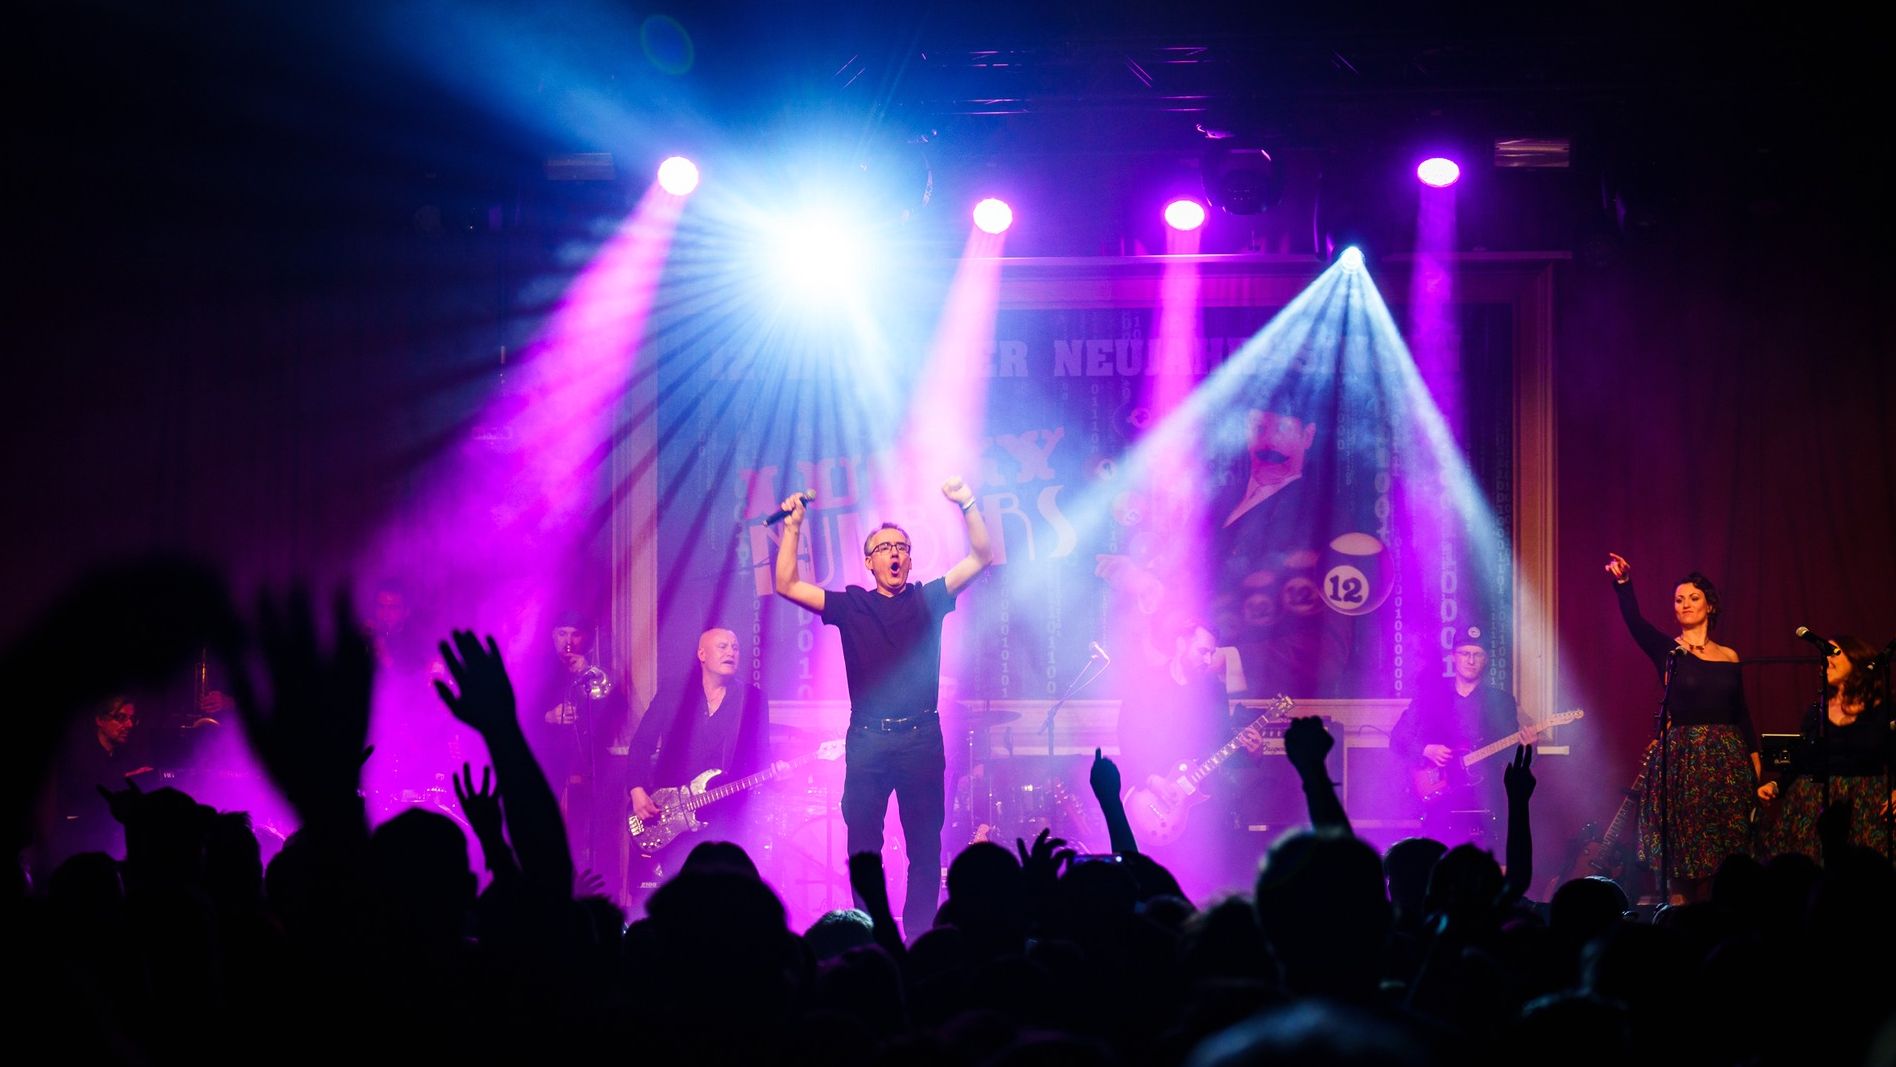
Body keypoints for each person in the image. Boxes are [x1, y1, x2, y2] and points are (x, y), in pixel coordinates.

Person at [773, 477, 992, 934]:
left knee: (924, 849)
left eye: (903, 547)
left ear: (909, 560)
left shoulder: (929, 598)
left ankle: (917, 937)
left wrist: (967, 503)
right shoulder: (852, 605)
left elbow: (980, 557)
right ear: (870, 562)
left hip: (921, 739)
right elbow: (788, 584)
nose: (895, 553)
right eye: (885, 547)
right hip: (869, 740)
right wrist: (793, 526)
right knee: (863, 845)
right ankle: (866, 933)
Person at [1605, 552, 1759, 903]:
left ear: (1710, 606)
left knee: (1727, 850)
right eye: (1679, 599)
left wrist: (1754, 758)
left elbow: (1742, 712)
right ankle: (1680, 928)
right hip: (1683, 760)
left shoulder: (1730, 656)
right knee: (1684, 854)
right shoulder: (1668, 650)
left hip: (1727, 761)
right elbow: (1635, 622)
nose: (1685, 604)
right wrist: (1623, 584)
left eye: (1693, 597)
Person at [1114, 616, 1269, 900]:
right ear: (1181, 643)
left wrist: (1252, 752)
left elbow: (1220, 747)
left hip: (1199, 810)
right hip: (1152, 799)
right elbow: (1127, 737)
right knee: (1151, 887)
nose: (1208, 659)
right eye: (1203, 650)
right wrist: (1154, 779)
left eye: (1211, 653)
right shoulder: (1147, 685)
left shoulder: (1211, 691)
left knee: (1202, 887)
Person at [625, 627, 774, 885]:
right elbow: (641, 743)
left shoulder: (752, 699)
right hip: (672, 813)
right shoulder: (675, 693)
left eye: (735, 647)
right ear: (702, 654)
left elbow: (762, 755)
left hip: (726, 813)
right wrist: (636, 790)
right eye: (723, 646)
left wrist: (776, 772)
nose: (731, 652)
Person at [1387, 625, 1537, 844]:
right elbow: (1397, 738)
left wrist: (1528, 747)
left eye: (1478, 654)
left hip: (1484, 800)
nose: (1471, 660)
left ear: (1486, 660)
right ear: (1453, 657)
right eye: (1465, 653)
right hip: (1438, 796)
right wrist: (1426, 750)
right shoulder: (1431, 696)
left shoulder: (1501, 701)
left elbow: (1513, 757)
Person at [1757, 634, 1893, 860]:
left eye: (1835, 652)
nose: (1828, 659)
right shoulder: (1816, 711)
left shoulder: (1884, 708)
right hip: (1815, 803)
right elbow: (1801, 760)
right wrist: (1776, 785)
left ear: (1857, 658)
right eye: (1826, 654)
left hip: (1865, 803)